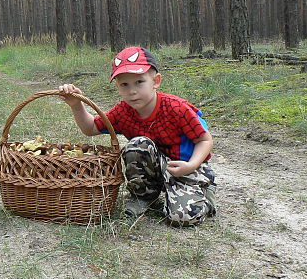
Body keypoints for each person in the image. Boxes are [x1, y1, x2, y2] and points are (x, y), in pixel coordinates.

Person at [58, 46, 216, 226]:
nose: (132, 91)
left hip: (187, 166)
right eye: (125, 84)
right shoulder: (122, 112)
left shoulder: (176, 108)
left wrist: (191, 165)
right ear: (118, 86)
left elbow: (205, 139)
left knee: (182, 218)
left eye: (139, 82)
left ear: (155, 81)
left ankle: (203, 193)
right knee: (138, 144)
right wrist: (77, 105)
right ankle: (143, 196)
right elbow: (91, 128)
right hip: (158, 167)